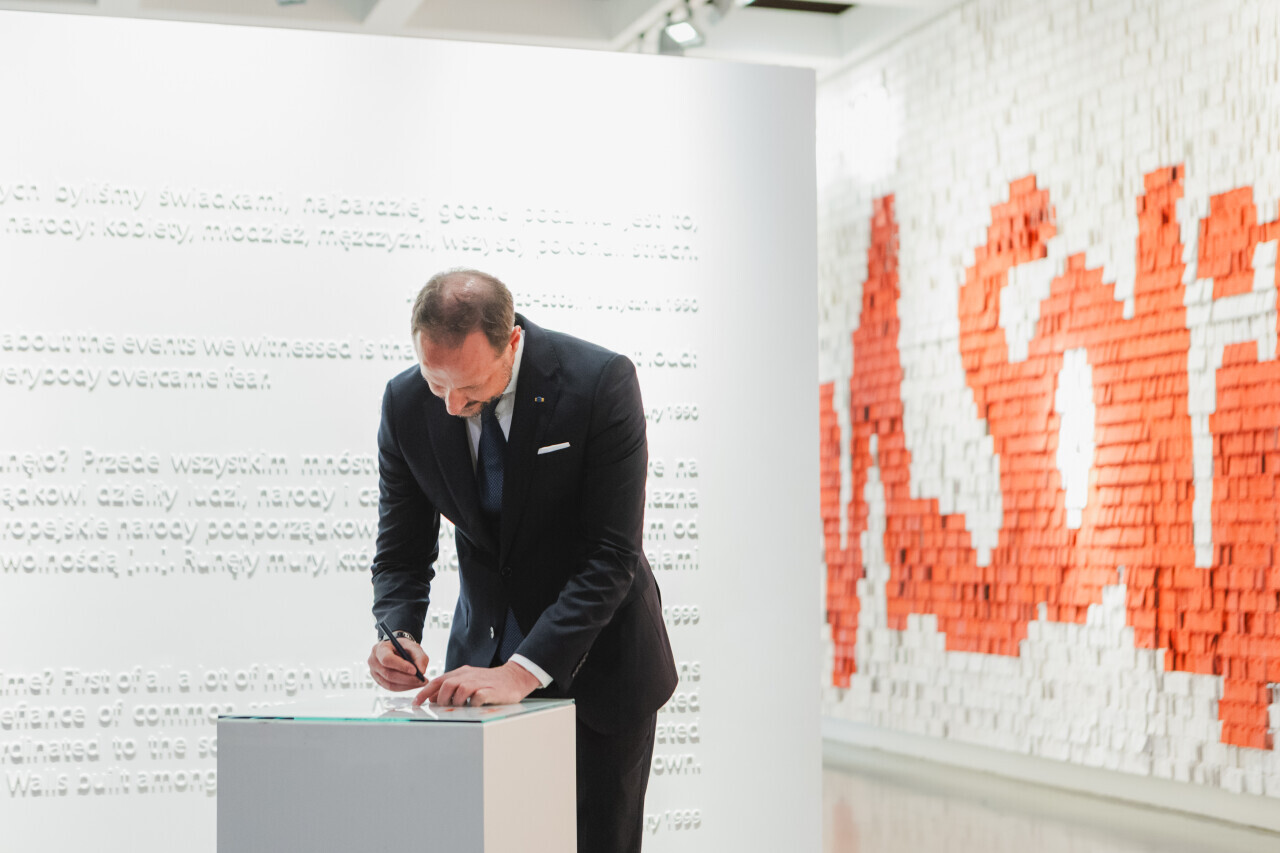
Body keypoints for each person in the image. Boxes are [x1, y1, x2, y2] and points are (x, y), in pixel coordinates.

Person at [366, 268, 678, 852]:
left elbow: (611, 555)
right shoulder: (405, 402)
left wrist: (520, 672)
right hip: (479, 665)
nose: (452, 405)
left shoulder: (599, 383)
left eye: (469, 386)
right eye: (436, 382)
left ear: (511, 342)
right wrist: (397, 632)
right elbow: (401, 551)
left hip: (601, 668)